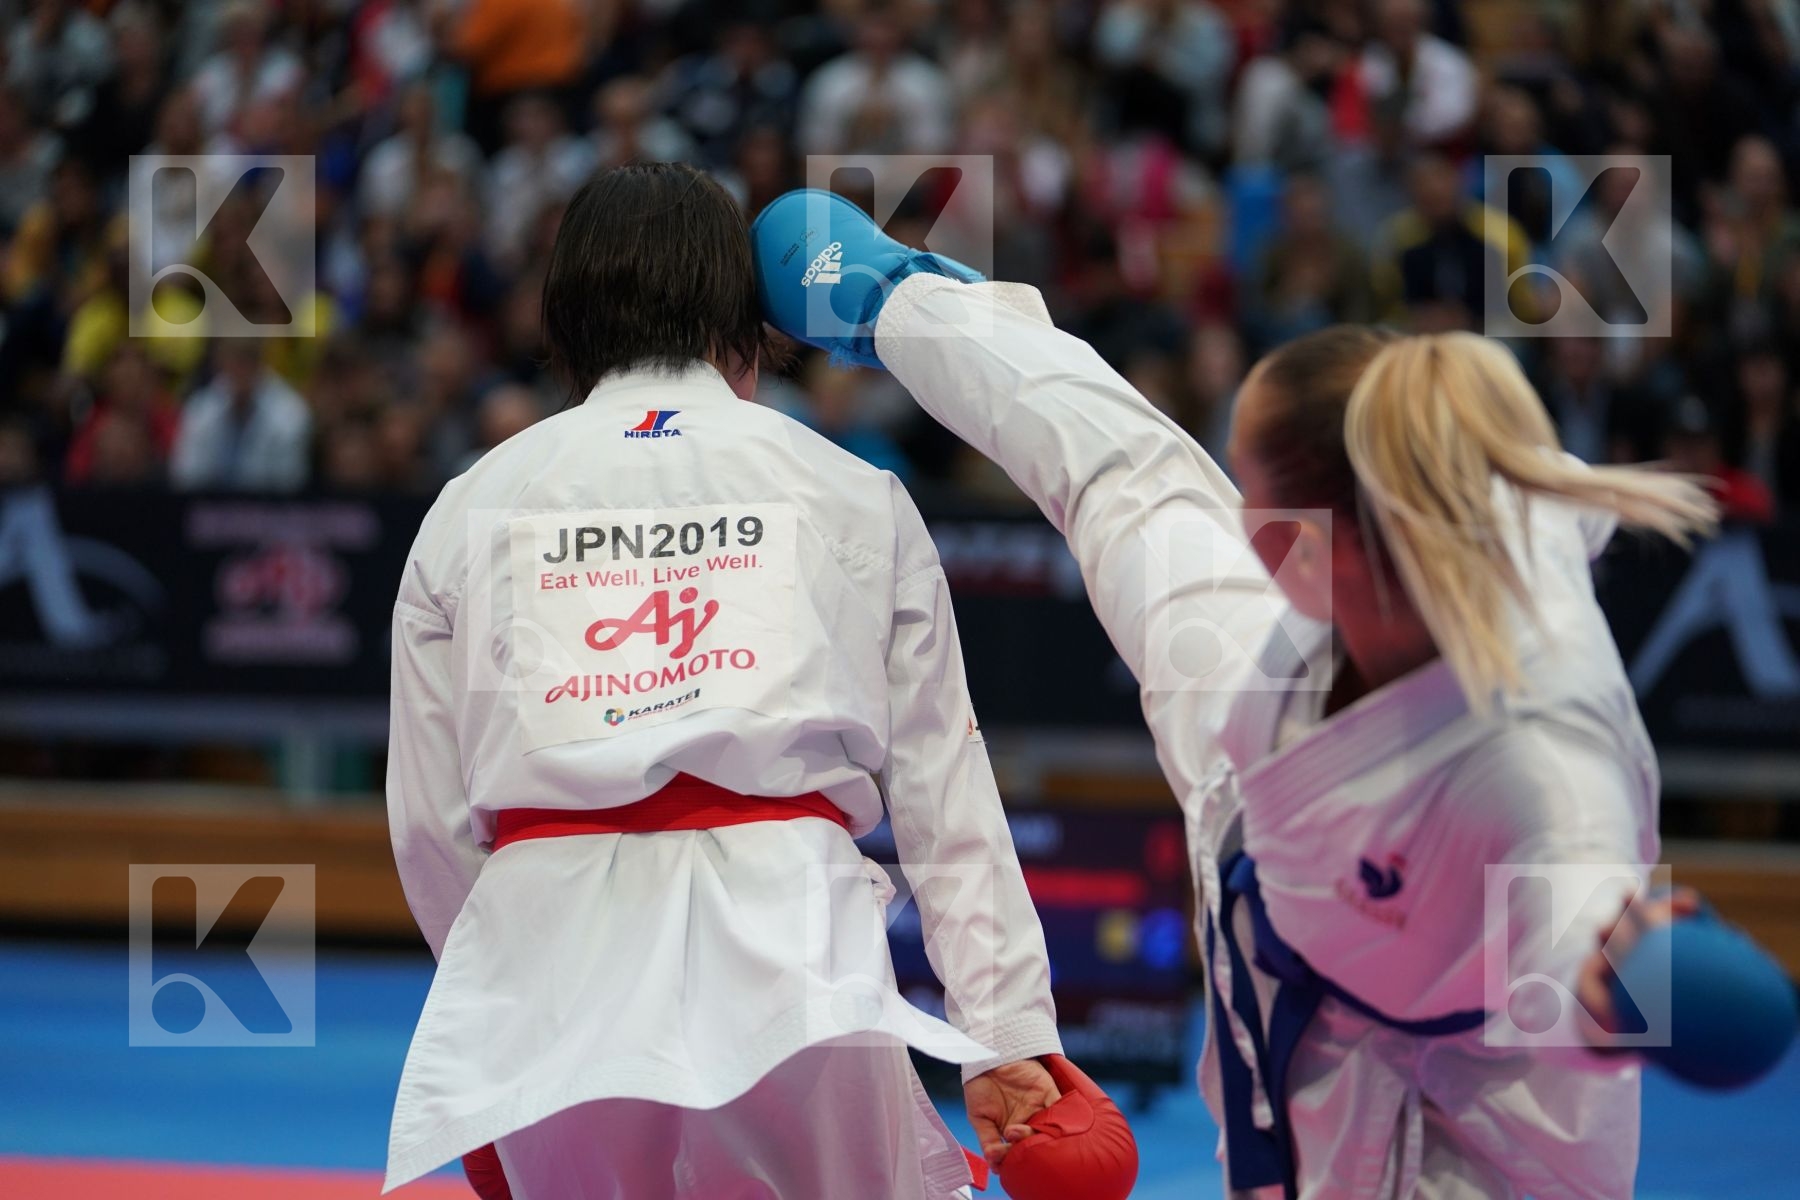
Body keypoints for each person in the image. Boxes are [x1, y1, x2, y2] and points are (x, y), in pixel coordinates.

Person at [749, 190, 1791, 1198]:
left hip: (1480, 1116)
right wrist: (886, 299)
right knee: (1121, 474)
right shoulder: (1465, 512)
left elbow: (1584, 911)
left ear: (1308, 540)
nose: (1239, 524)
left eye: (1258, 501)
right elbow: (1083, 436)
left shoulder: (1539, 768)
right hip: (1276, 794)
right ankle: (894, 292)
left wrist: (1637, 978)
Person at [381, 162, 1069, 1200]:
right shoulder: (849, 490)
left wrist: (496, 1019)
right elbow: (942, 793)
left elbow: (428, 825)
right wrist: (1006, 1034)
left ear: (564, 326)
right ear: (744, 320)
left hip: (549, 963)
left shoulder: (469, 506)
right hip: (793, 947)